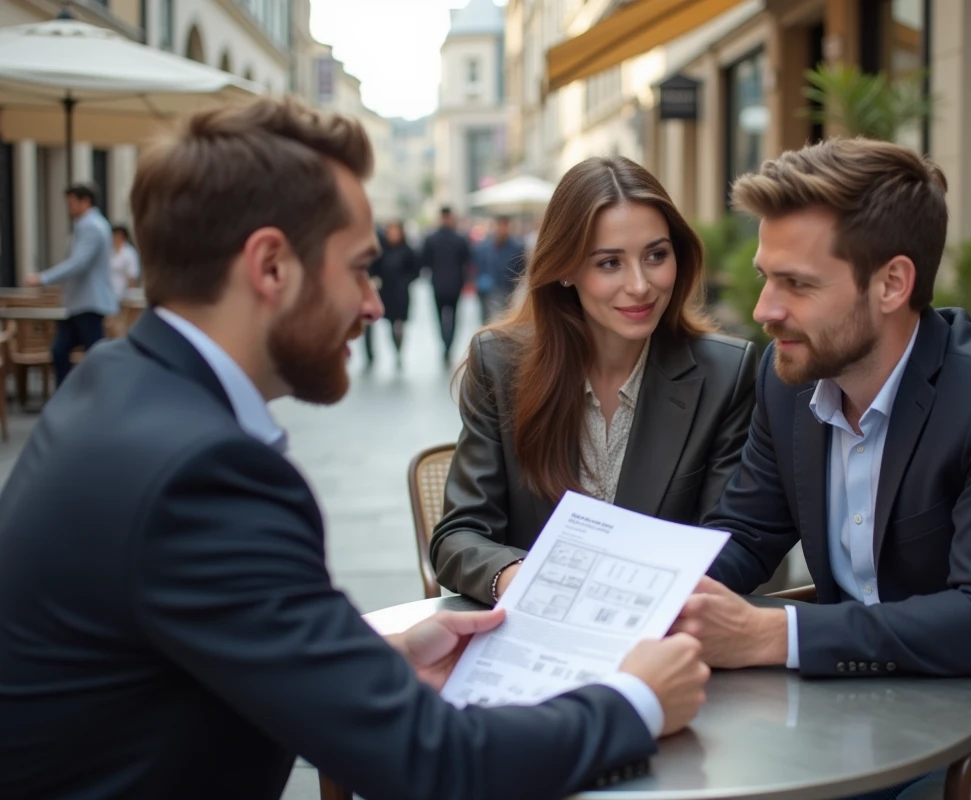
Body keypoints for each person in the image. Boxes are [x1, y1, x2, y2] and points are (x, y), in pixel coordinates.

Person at [0, 97, 710, 800]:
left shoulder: (114, 381)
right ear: (271, 267)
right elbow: (434, 764)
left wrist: (377, 663)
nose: (374, 304)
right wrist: (635, 701)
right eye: (359, 268)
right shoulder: (206, 475)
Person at [669, 139, 971, 800]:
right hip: (849, 715)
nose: (765, 309)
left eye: (797, 283)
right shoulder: (788, 379)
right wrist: (649, 596)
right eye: (767, 277)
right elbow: (746, 531)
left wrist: (773, 633)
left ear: (892, 283)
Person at [430, 156, 758, 606]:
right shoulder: (500, 364)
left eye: (656, 256)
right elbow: (459, 535)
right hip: (534, 625)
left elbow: (727, 543)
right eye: (609, 263)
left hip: (664, 627)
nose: (640, 285)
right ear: (566, 268)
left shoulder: (726, 374)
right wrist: (523, 581)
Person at [24, 182, 119, 386]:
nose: (69, 208)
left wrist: (44, 278)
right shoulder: (88, 225)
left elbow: (78, 263)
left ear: (85, 202)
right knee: (63, 350)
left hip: (88, 302)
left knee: (90, 353)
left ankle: (99, 393)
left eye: (72, 203)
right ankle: (78, 394)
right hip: (80, 302)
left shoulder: (91, 226)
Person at [421, 205, 473, 364]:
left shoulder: (431, 239)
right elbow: (467, 260)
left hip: (438, 284)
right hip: (455, 284)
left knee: (440, 317)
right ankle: (448, 345)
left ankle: (445, 344)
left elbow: (425, 261)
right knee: (454, 317)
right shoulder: (460, 239)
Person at [364, 220, 419, 366]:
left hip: (401, 293)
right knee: (390, 323)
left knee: (399, 324)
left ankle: (399, 349)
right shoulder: (382, 252)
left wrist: (405, 281)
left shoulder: (407, 251)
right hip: (387, 292)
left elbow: (415, 270)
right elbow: (375, 269)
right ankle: (393, 350)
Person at [474, 214, 526, 323]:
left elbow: (521, 270)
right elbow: (479, 266)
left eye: (505, 225)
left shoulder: (517, 247)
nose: (502, 229)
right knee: (489, 320)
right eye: (500, 225)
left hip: (508, 291)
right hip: (488, 291)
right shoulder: (484, 247)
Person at [110, 224, 141, 297]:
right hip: (109, 292)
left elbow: (132, 276)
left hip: (123, 294)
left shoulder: (129, 253)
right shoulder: (108, 251)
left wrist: (129, 294)